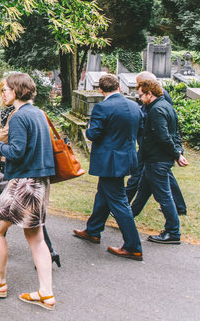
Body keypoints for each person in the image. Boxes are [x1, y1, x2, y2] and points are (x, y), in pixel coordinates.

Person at [0, 73, 56, 311]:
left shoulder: (19, 117)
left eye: (6, 89)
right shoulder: (39, 113)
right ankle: (46, 293)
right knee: (36, 239)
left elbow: (15, 152)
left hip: (23, 183)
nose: (3, 93)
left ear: (17, 91)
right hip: (40, 182)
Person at [73, 74, 144, 260]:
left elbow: (93, 134)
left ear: (101, 90)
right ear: (119, 87)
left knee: (119, 201)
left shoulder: (102, 107)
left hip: (109, 160)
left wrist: (88, 127)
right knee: (103, 194)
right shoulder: (134, 106)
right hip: (127, 157)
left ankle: (133, 245)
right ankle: (93, 230)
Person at [130, 79, 188, 244]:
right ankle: (126, 217)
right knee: (143, 191)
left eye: (141, 95)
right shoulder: (167, 106)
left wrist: (177, 154)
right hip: (154, 159)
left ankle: (173, 232)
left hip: (157, 160)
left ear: (150, 93)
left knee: (164, 197)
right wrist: (178, 151)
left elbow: (163, 137)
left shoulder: (156, 110)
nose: (140, 99)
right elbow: (175, 134)